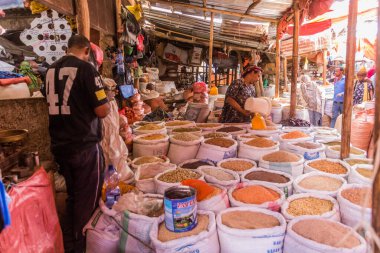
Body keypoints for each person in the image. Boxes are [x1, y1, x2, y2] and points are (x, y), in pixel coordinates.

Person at [45, 35, 110, 253]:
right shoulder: (86, 69)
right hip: (84, 145)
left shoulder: (50, 71)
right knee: (87, 200)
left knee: (73, 196)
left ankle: (68, 240)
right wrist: (107, 98)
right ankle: (82, 245)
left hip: (60, 146)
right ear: (86, 51)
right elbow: (102, 110)